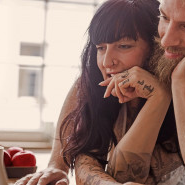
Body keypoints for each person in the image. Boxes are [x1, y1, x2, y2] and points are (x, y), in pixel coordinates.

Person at [76, 0, 185, 184]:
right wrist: (56, 163)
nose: (165, 41)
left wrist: (182, 83)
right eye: (164, 17)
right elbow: (89, 149)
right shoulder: (160, 57)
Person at [16, 0, 162, 184]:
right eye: (101, 48)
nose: (107, 62)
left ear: (156, 46)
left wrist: (160, 97)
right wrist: (57, 164)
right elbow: (86, 163)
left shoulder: (184, 90)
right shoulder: (94, 85)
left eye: (124, 46)